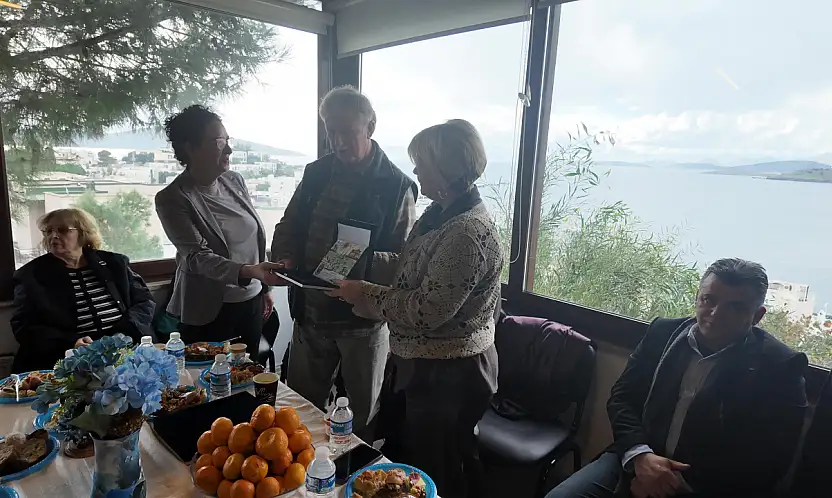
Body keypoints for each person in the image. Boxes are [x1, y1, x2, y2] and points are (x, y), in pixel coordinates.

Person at [331, 119, 503, 498]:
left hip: (448, 374)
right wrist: (358, 264)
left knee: (434, 470)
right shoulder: (440, 213)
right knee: (407, 462)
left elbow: (428, 309)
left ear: (446, 170)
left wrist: (366, 293)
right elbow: (416, 267)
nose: (415, 171)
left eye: (421, 163)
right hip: (422, 365)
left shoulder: (466, 234)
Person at [545, 258, 808, 498]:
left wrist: (670, 483)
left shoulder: (780, 367)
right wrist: (641, 457)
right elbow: (622, 399)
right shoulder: (663, 333)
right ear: (697, 297)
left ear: (757, 317)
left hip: (708, 487)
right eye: (709, 300)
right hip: (636, 457)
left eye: (735, 308)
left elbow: (771, 461)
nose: (716, 314)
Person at [270, 85, 417, 437]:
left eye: (347, 132)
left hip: (362, 323)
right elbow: (288, 224)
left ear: (370, 126)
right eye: (330, 132)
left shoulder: (397, 186)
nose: (337, 141)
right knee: (299, 411)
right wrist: (283, 257)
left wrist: (360, 267)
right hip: (309, 313)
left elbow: (405, 262)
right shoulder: (316, 173)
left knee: (362, 418)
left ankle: (355, 483)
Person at [155, 105, 283, 354]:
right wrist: (251, 272)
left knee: (250, 376)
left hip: (252, 303)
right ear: (190, 147)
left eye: (227, 140)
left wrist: (264, 288)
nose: (229, 149)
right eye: (218, 141)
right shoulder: (173, 198)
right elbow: (196, 257)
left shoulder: (234, 181)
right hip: (209, 312)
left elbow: (253, 237)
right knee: (211, 385)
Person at [11, 208, 155, 372]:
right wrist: (71, 342)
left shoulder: (115, 263)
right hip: (67, 358)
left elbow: (144, 301)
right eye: (48, 231)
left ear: (83, 233)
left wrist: (123, 334)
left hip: (125, 348)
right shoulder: (31, 275)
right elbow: (23, 326)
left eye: (63, 230)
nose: (54, 236)